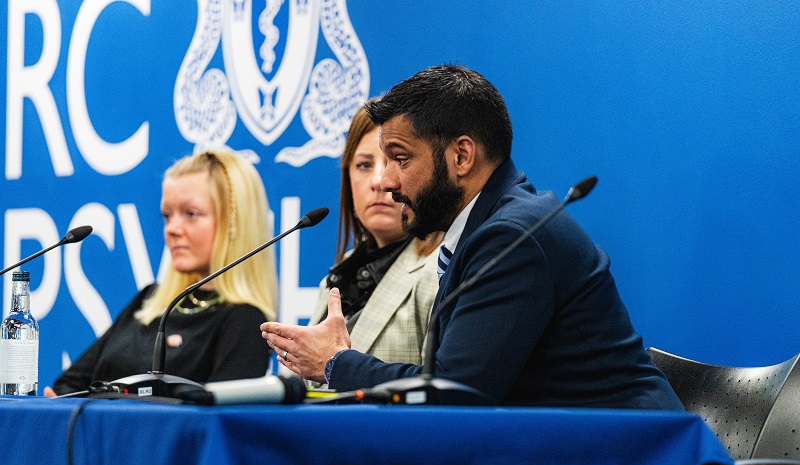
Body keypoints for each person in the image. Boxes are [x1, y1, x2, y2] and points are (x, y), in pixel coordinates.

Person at [261, 64, 683, 409]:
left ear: (461, 156)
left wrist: (337, 363)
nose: (386, 182)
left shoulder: (513, 237)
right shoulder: (486, 228)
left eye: (400, 159)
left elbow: (454, 392)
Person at [48, 150, 278, 395]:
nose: (172, 229)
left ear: (235, 223)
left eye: (191, 214)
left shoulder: (244, 321)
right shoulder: (149, 300)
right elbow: (67, 386)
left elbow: (215, 420)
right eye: (167, 216)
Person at [305, 101, 441, 365]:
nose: (379, 181)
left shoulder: (440, 271)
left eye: (399, 161)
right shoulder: (340, 273)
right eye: (365, 165)